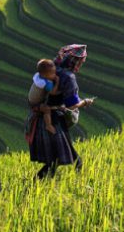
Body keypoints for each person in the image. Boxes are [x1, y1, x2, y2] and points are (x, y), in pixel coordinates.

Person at [28, 44, 95, 179]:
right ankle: (35, 182)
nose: (81, 64)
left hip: (40, 116)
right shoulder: (68, 77)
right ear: (75, 61)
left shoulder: (52, 68)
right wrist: (85, 102)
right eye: (81, 62)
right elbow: (72, 104)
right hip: (54, 120)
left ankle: (78, 174)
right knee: (57, 158)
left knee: (63, 154)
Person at [28, 59, 60, 135]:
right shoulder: (45, 83)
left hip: (31, 98)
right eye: (52, 73)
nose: (55, 75)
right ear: (44, 75)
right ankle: (48, 125)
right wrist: (57, 83)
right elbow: (53, 92)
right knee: (47, 109)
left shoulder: (38, 76)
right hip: (35, 103)